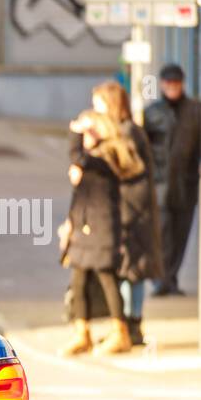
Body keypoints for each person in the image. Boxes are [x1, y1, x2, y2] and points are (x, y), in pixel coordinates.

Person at [72, 81, 163, 345]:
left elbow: (128, 174)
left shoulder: (127, 133)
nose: (95, 108)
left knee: (132, 269)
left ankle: (132, 326)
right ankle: (123, 327)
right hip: (124, 211)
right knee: (124, 269)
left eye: (99, 102)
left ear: (111, 103)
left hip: (132, 213)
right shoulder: (117, 132)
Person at [60, 110, 142, 355]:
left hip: (102, 232)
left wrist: (74, 129)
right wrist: (70, 225)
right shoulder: (93, 159)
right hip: (85, 232)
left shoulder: (106, 157)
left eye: (89, 131)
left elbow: (76, 156)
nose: (84, 136)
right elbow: (80, 199)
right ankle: (81, 333)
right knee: (79, 282)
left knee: (108, 280)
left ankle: (121, 333)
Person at [144, 63, 201, 296]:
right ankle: (161, 280)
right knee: (163, 233)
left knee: (181, 234)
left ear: (182, 84)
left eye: (176, 84)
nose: (172, 88)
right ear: (162, 85)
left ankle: (172, 279)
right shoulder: (152, 113)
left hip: (186, 184)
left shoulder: (195, 110)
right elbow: (144, 147)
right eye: (168, 84)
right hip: (161, 184)